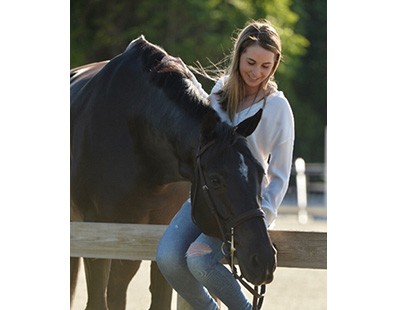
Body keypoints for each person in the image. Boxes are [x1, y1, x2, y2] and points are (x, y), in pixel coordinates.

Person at [156, 19, 294, 309]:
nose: (257, 72)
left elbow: (280, 174)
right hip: (207, 197)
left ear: (275, 64)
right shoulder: (219, 92)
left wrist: (262, 218)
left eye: (266, 66)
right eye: (251, 62)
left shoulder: (278, 108)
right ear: (239, 57)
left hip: (245, 206)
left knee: (199, 259)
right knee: (167, 257)